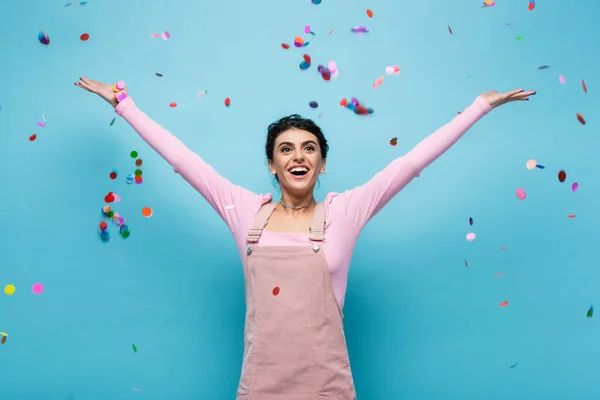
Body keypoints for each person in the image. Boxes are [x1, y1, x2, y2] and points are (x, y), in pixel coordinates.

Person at [75, 77, 535, 399]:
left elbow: (410, 163)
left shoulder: (345, 212)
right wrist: (125, 105)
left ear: (322, 164)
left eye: (309, 148)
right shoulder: (243, 211)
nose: (299, 156)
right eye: (286, 149)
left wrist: (479, 107)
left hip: (326, 389)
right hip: (259, 388)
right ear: (272, 166)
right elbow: (183, 160)